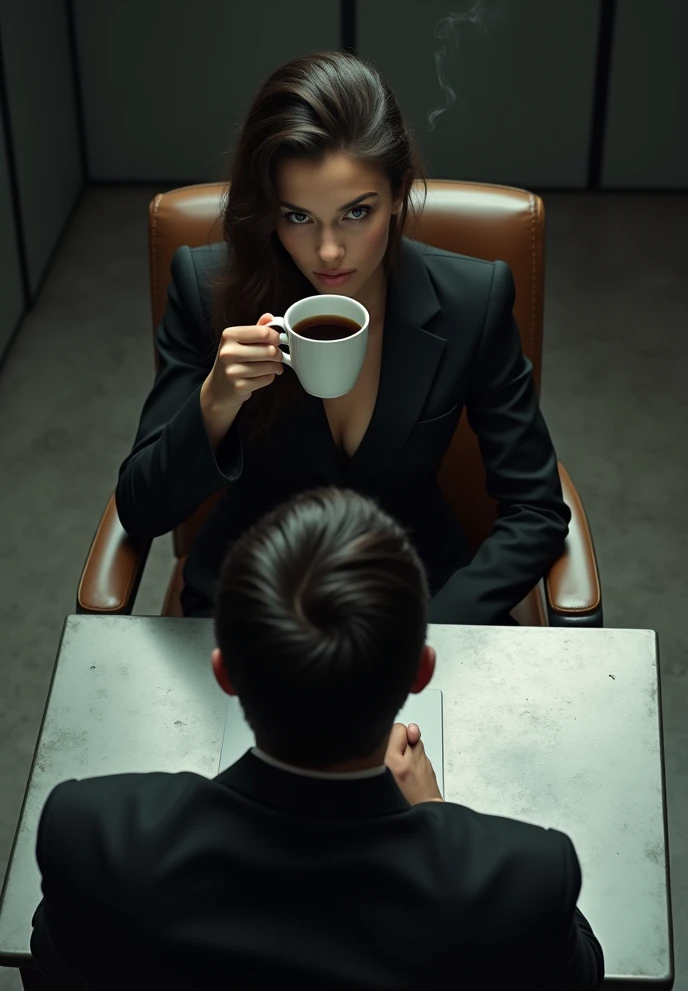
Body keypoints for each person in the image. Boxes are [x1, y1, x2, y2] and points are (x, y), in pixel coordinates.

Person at [31, 487, 603, 991]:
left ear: (224, 673)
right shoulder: (521, 878)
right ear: (422, 671)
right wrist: (437, 814)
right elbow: (576, 986)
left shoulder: (92, 835)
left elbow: (59, 958)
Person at [115, 49, 571, 625]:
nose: (329, 252)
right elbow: (141, 509)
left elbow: (536, 508)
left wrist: (432, 632)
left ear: (400, 192)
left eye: (357, 213)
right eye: (298, 217)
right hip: (254, 601)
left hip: (419, 597)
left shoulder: (471, 303)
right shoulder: (208, 291)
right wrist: (215, 401)